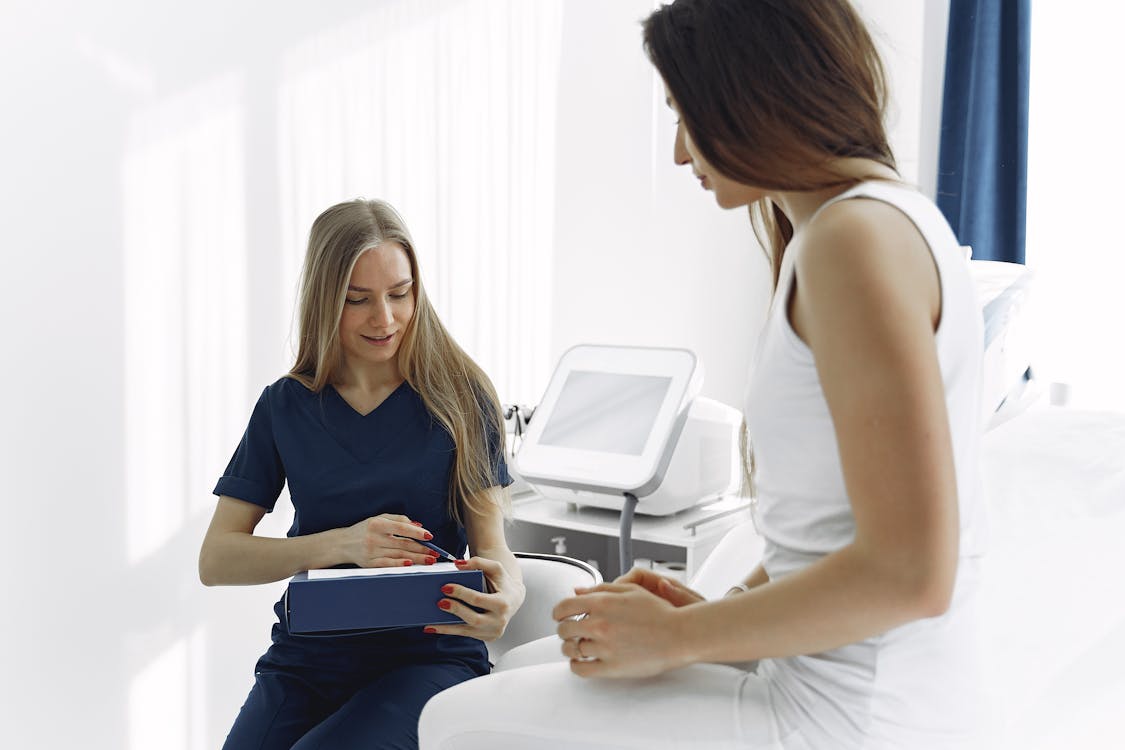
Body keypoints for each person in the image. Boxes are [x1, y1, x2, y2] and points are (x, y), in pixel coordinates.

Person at [419, 1, 992, 748]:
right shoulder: (863, 226)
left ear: (750, 94)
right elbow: (825, 532)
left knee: (450, 719)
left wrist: (678, 639)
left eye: (683, 116)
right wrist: (700, 615)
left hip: (848, 718)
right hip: (827, 683)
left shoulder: (852, 240)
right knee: (528, 659)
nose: (680, 155)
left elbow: (911, 573)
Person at [199, 198, 524, 750]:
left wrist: (509, 598)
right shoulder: (285, 406)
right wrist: (341, 543)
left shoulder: (462, 397)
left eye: (400, 294)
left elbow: (495, 548)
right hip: (307, 659)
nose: (386, 318)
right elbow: (217, 559)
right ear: (325, 301)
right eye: (359, 300)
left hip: (428, 658)